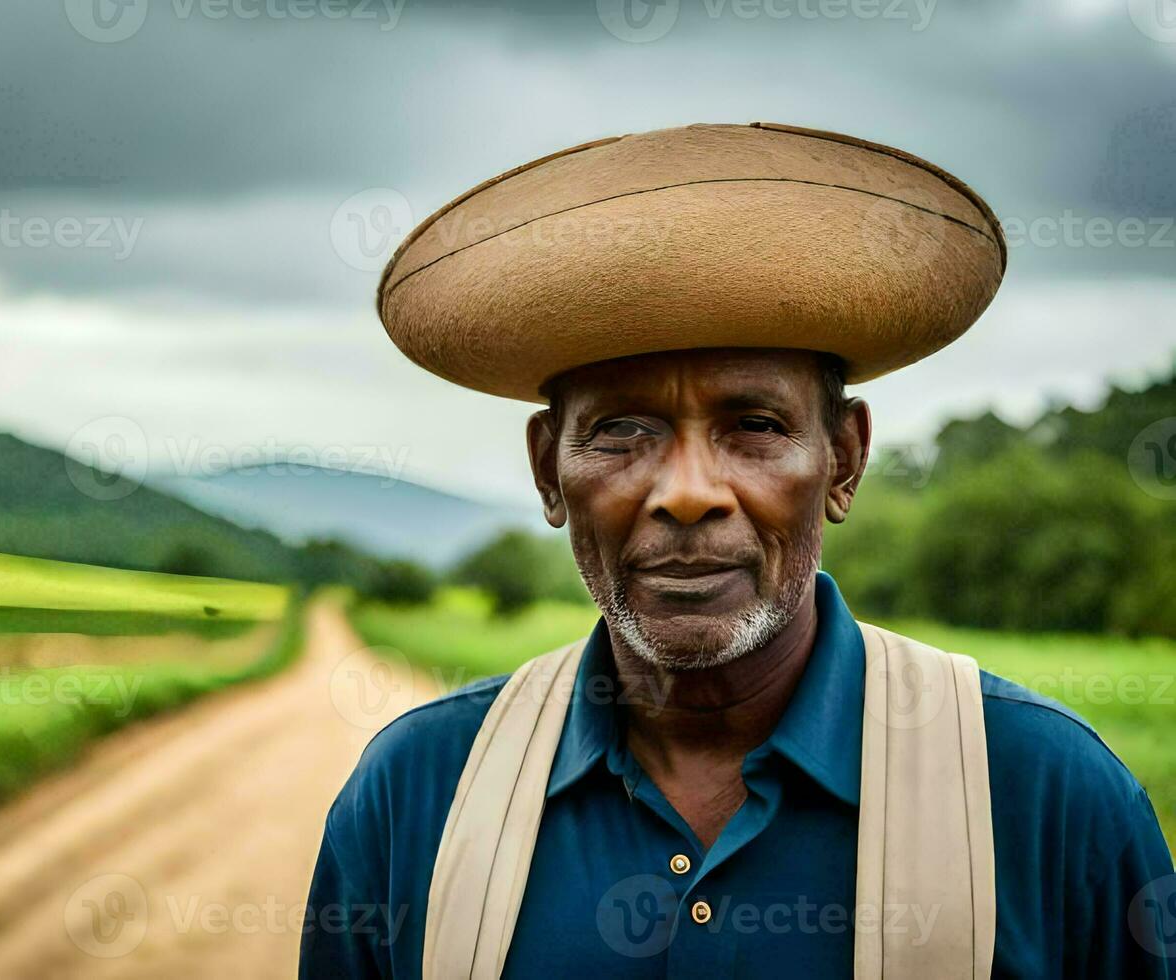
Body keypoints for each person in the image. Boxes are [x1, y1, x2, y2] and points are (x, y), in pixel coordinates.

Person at [300, 122, 1175, 978]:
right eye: (621, 431)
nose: (687, 493)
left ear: (844, 461)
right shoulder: (415, 794)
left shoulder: (1047, 796)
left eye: (754, 426)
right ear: (546, 472)